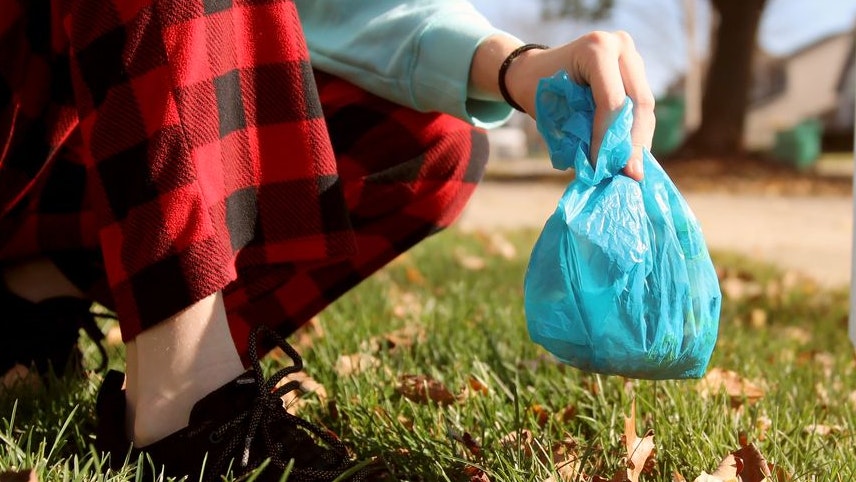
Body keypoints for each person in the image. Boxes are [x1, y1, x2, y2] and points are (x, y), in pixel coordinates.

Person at [0, 0, 655, 480]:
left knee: (434, 146)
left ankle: (34, 297)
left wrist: (516, 66)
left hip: (52, 137)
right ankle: (181, 411)